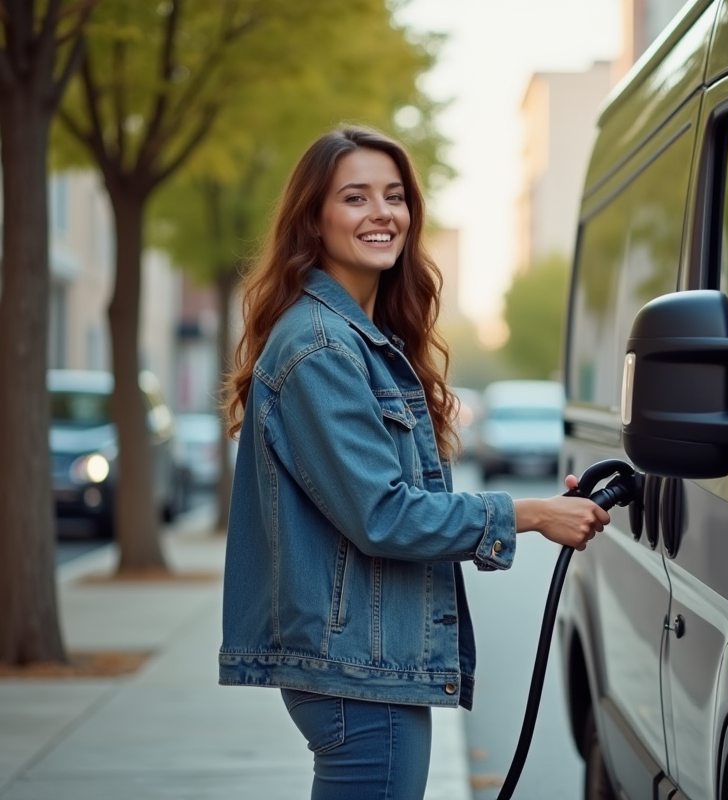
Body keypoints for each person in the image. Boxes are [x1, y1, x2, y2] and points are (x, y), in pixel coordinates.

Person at [218, 125, 610, 800]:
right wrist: (533, 514)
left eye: (394, 196)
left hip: (367, 661)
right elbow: (383, 513)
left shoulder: (358, 339)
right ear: (314, 217)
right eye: (355, 197)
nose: (381, 213)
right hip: (358, 669)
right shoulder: (323, 350)